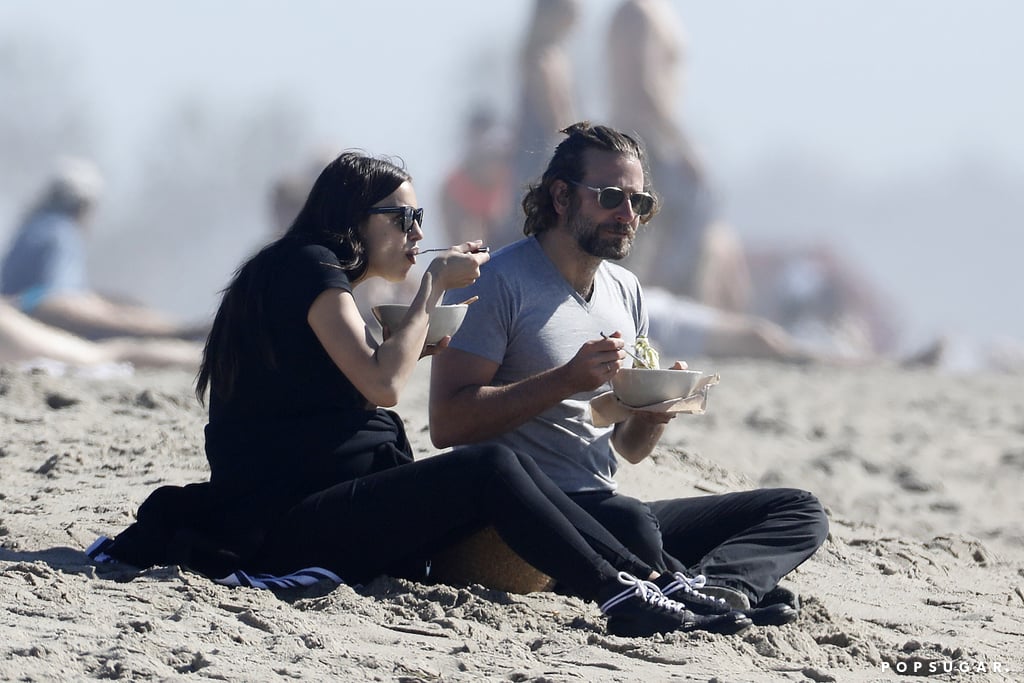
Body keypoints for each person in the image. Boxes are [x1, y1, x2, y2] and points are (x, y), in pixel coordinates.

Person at [87, 150, 755, 639]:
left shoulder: (311, 278)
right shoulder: (305, 265)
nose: (415, 232)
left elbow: (350, 381)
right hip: (292, 521)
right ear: (355, 217)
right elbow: (382, 383)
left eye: (420, 217)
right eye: (403, 216)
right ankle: (621, 595)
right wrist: (432, 288)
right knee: (491, 464)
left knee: (595, 506)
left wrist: (417, 331)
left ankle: (651, 583)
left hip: (333, 502)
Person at [430, 122, 830, 621]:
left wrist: (651, 414)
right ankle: (686, 586)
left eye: (639, 204)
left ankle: (719, 588)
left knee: (798, 510)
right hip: (522, 518)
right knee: (633, 524)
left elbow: (627, 449)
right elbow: (448, 423)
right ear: (560, 196)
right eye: (612, 197)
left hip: (602, 503)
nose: (628, 215)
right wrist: (564, 380)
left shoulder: (625, 290)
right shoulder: (495, 282)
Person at [605, 0, 750, 313]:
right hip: (647, 137)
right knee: (697, 205)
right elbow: (644, 83)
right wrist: (683, 145)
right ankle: (669, 301)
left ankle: (667, 300)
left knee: (659, 225)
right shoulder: (639, 13)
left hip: (650, 137)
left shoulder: (647, 11)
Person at [0, 157, 208, 342]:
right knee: (114, 315)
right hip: (39, 307)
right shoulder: (60, 231)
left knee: (122, 304)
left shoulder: (34, 226)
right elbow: (57, 296)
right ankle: (181, 332)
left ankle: (180, 330)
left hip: (30, 304)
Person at [0, 296, 201, 370]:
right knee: (118, 331)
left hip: (18, 313)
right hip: (23, 306)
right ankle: (205, 349)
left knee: (105, 353)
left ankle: (205, 355)